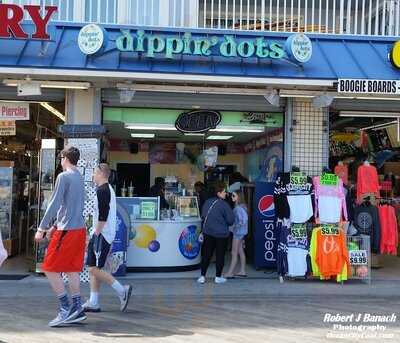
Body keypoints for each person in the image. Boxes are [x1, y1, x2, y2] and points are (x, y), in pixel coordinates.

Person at [35, 146, 87, 327]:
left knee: (49, 268)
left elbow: (55, 203)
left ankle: (65, 308)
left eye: (60, 157)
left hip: (68, 231)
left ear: (65, 158)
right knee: (72, 269)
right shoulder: (79, 177)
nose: (60, 160)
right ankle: (77, 308)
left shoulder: (63, 176)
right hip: (79, 230)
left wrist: (42, 228)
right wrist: (55, 226)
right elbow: (71, 206)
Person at [83, 163, 132, 313]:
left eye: (94, 173)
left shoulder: (103, 191)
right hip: (104, 234)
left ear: (100, 174)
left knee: (92, 268)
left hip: (101, 235)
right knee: (95, 268)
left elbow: (103, 216)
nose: (92, 176)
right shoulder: (107, 190)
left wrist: (94, 234)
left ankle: (121, 290)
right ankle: (94, 301)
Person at [197, 181, 235, 284]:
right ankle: (218, 277)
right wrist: (234, 203)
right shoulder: (224, 204)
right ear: (218, 193)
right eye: (224, 192)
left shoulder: (207, 202)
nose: (226, 194)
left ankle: (202, 276)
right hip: (221, 235)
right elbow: (231, 220)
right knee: (220, 255)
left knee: (206, 255)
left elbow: (203, 215)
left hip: (208, 232)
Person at [224, 190, 248, 278]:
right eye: (232, 196)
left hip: (238, 233)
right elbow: (244, 221)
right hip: (241, 233)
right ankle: (242, 271)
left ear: (239, 197)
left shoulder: (238, 208)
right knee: (240, 251)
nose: (232, 197)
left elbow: (243, 221)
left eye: (234, 196)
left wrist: (235, 227)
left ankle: (230, 272)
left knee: (234, 252)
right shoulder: (243, 207)